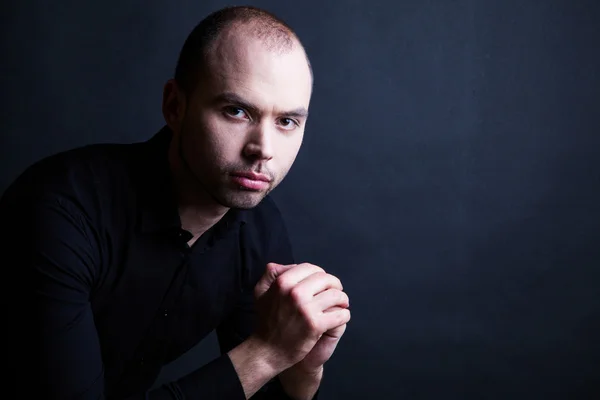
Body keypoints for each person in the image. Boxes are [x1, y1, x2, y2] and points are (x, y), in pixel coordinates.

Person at [1, 5, 351, 400]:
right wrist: (268, 354)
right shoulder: (58, 212)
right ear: (175, 107)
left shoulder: (258, 231)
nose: (263, 150)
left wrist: (302, 368)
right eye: (236, 111)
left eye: (286, 121)